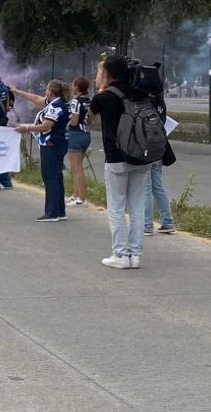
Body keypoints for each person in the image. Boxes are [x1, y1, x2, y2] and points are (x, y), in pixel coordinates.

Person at [91, 56, 150, 270]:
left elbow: (96, 100)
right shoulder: (141, 94)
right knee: (137, 206)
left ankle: (120, 254)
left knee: (116, 207)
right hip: (142, 156)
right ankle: (135, 255)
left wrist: (102, 75)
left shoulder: (105, 97)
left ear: (108, 74)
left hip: (116, 157)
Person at [12, 80, 70, 221]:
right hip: (58, 144)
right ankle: (60, 210)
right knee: (56, 177)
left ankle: (51, 212)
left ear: (50, 91)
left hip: (51, 145)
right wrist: (18, 92)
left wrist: (26, 127)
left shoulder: (54, 107)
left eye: (46, 90)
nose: (44, 93)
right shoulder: (60, 103)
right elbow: (37, 99)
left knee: (50, 178)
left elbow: (45, 126)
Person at [142, 85, 176, 236]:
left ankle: (147, 224)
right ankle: (167, 221)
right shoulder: (160, 103)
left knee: (146, 188)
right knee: (157, 186)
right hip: (159, 147)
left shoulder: (145, 103)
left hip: (147, 148)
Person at [65, 76, 92, 207]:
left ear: (77, 87)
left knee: (76, 168)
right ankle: (76, 194)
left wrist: (66, 124)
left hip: (76, 134)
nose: (71, 87)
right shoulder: (88, 100)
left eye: (73, 84)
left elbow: (74, 120)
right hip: (86, 133)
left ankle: (81, 198)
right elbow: (91, 118)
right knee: (76, 166)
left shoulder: (76, 102)